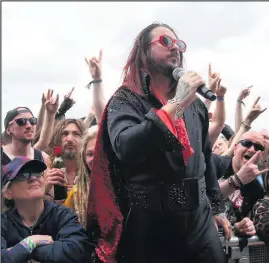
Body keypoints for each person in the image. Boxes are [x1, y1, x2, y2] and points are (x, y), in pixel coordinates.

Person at [86, 22, 225, 263]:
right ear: (143, 52)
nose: (175, 49)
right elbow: (126, 147)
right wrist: (177, 104)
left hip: (199, 222)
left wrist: (216, 207)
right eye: (165, 42)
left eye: (179, 44)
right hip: (150, 225)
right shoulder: (126, 99)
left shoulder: (198, 106)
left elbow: (204, 156)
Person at [1, 157, 92, 263]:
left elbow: (76, 251)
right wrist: (31, 241)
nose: (33, 178)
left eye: (38, 173)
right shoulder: (3, 222)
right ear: (8, 193)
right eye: (23, 175)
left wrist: (21, 250)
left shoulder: (63, 215)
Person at [63, 129, 97, 228]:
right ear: (84, 159)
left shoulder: (122, 185)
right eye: (90, 154)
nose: (95, 158)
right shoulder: (77, 193)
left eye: (99, 152)